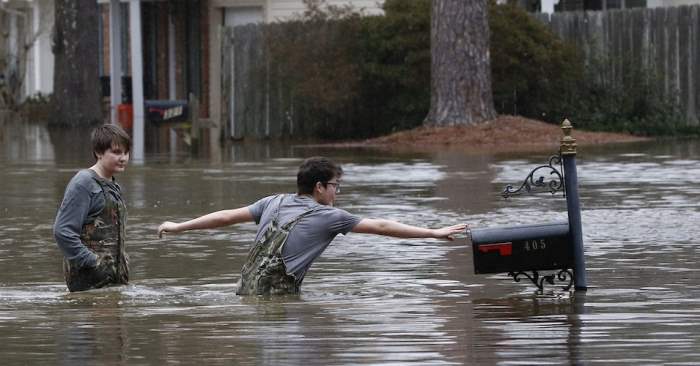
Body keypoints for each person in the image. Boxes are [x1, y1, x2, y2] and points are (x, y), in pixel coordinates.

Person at [157, 156, 466, 295]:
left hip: (245, 292)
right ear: (320, 187)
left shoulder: (272, 201)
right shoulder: (331, 217)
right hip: (279, 300)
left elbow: (224, 217)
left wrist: (179, 226)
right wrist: (433, 233)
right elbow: (382, 226)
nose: (337, 192)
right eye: (336, 185)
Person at [53, 124, 132, 292]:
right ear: (98, 152)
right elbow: (62, 231)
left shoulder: (113, 184)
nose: (123, 158)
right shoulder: (83, 183)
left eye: (126, 152)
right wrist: (93, 262)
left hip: (113, 282)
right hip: (89, 284)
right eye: (117, 152)